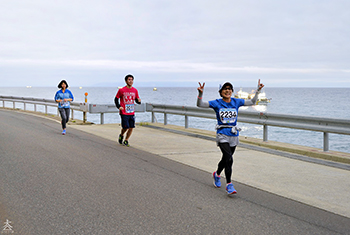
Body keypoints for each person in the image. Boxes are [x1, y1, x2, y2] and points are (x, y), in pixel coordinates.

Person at [197, 79, 264, 194]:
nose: (227, 91)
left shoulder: (236, 102)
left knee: (226, 158)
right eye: (225, 89)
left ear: (232, 91)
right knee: (229, 158)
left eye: (229, 89)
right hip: (222, 134)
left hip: (233, 134)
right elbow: (200, 105)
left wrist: (258, 91)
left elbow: (252, 102)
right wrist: (200, 94)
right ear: (221, 91)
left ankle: (217, 174)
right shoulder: (217, 103)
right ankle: (229, 184)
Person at [114, 74, 141, 147]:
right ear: (126, 81)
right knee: (126, 127)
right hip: (124, 112)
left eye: (132, 79)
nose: (131, 81)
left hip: (131, 112)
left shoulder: (135, 90)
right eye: (129, 79)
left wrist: (139, 101)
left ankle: (126, 140)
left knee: (131, 127)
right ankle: (121, 135)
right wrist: (119, 106)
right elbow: (116, 99)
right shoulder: (121, 90)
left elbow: (136, 100)